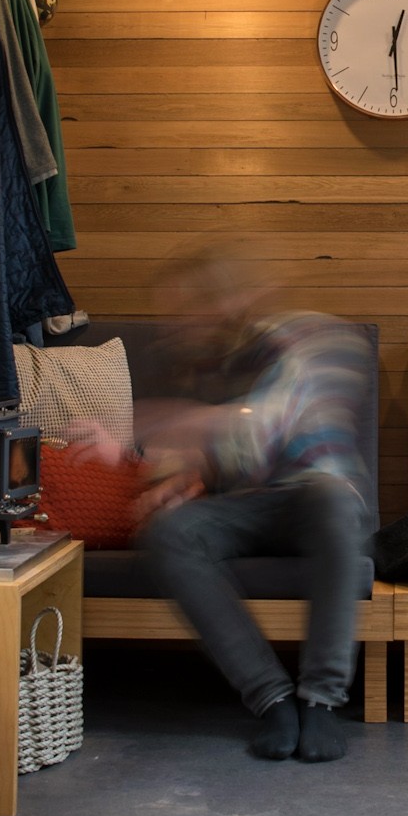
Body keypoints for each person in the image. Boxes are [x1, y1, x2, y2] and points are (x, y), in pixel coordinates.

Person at [70, 244, 371, 762]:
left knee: (332, 502)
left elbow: (262, 426)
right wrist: (170, 478)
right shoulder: (197, 365)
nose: (175, 325)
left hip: (314, 501)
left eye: (186, 309)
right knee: (168, 532)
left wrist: (143, 427)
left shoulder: (299, 340)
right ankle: (272, 698)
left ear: (226, 301)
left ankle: (320, 700)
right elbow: (205, 459)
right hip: (247, 507)